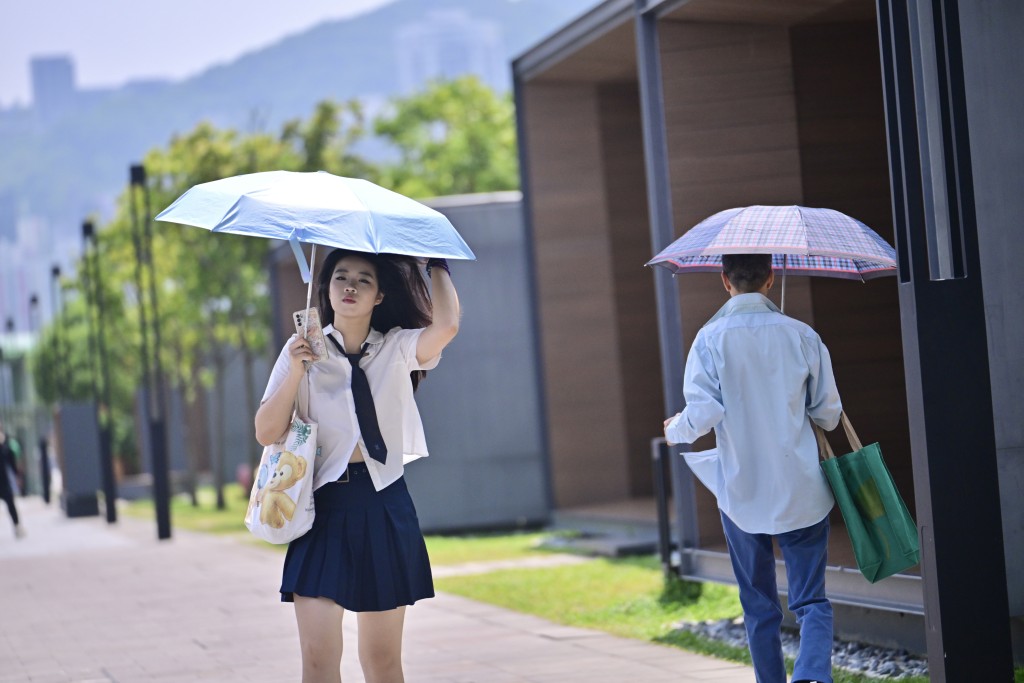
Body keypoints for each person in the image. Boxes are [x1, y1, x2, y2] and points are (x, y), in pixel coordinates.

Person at [255, 248, 459, 683]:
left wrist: (436, 265)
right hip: (322, 510)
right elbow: (266, 430)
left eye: (363, 280)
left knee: (382, 662)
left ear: (380, 295)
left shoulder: (398, 348)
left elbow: (447, 326)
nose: (349, 286)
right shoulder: (301, 351)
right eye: (340, 278)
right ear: (326, 291)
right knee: (317, 660)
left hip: (383, 504)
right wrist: (295, 368)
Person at [663, 254, 841, 683]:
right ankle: (812, 676)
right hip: (802, 488)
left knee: (758, 604)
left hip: (741, 492)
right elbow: (829, 416)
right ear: (770, 278)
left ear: (725, 281)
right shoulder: (802, 335)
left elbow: (702, 414)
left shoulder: (709, 339)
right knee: (811, 600)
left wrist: (675, 429)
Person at [0, 419, 25, 539]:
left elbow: (12, 462)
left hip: (4, 481)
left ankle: (17, 526)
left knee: (11, 504)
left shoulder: (7, 443)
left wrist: (17, 477)